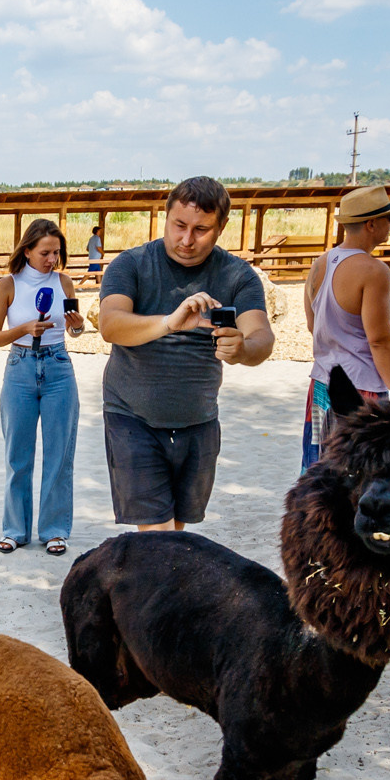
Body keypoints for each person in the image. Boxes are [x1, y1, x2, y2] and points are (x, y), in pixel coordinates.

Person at [97, 176, 273, 531]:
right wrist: (168, 323)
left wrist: (242, 348)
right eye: (179, 225)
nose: (187, 240)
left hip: (199, 422)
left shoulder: (238, 275)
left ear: (222, 227)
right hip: (132, 419)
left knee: (177, 534)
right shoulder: (131, 264)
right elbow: (110, 325)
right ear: (166, 217)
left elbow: (262, 337)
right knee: (158, 536)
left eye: (201, 230)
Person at [0, 217, 86, 555]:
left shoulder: (64, 282)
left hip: (58, 368)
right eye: (45, 253)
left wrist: (77, 326)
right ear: (27, 250)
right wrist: (25, 328)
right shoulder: (8, 285)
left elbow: (73, 331)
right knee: (18, 456)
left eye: (56, 252)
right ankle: (15, 530)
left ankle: (54, 530)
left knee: (59, 455)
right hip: (20, 368)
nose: (52, 259)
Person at [300, 184, 390, 468]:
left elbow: (312, 323)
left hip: (322, 382)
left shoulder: (320, 263)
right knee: (362, 470)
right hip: (361, 387)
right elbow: (379, 340)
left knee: (320, 467)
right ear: (372, 224)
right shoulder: (373, 271)